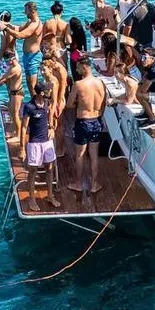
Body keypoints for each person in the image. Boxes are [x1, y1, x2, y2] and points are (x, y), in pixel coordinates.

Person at [67, 56, 108, 198]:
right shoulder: (100, 83)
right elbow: (104, 103)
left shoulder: (78, 84)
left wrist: (79, 103)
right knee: (94, 154)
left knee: (80, 154)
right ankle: (94, 184)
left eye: (78, 66)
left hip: (83, 121)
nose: (76, 69)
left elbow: (69, 104)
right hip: (96, 120)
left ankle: (78, 183)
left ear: (84, 67)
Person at [19, 80, 61, 209]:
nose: (50, 91)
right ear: (42, 93)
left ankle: (50, 195)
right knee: (33, 171)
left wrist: (51, 127)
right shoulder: (29, 107)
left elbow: (50, 117)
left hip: (47, 141)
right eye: (48, 90)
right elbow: (24, 127)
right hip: (35, 143)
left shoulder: (47, 102)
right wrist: (22, 148)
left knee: (50, 169)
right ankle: (32, 199)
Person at [12, 2, 44, 92]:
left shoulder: (35, 24)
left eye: (26, 11)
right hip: (27, 56)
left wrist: (6, 29)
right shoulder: (30, 22)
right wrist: (7, 24)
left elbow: (20, 35)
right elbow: (19, 29)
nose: (25, 13)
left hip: (33, 57)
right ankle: (34, 100)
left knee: (33, 86)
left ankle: (37, 100)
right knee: (29, 84)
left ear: (32, 11)